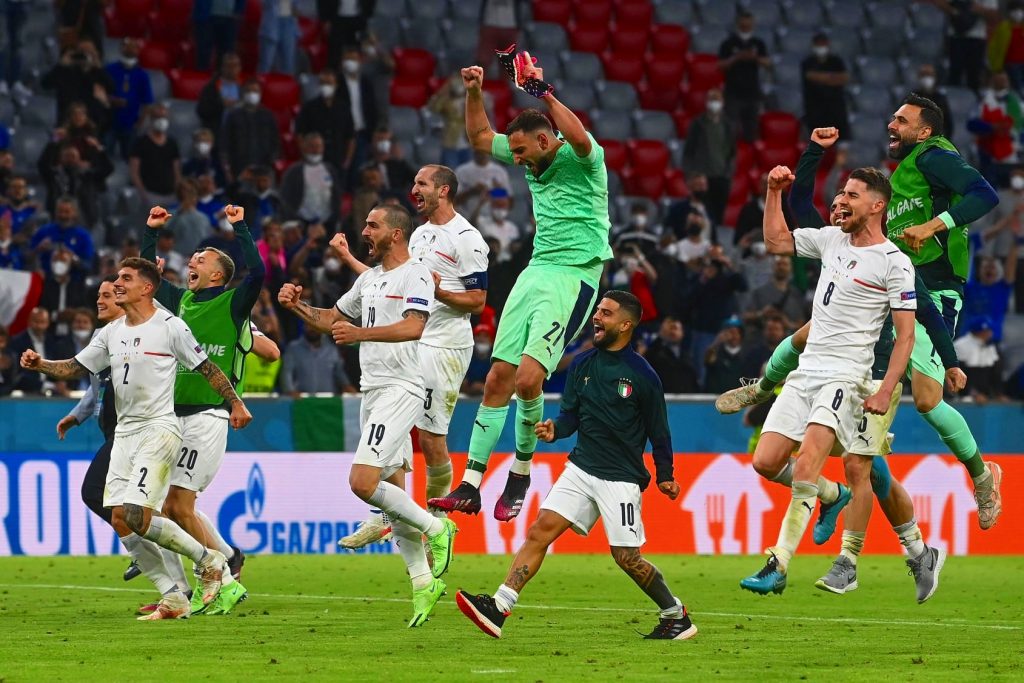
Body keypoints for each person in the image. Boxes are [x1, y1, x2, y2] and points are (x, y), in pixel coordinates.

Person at [428, 55, 613, 521]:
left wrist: (544, 92)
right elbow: (479, 137)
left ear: (545, 139)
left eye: (525, 151)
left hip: (575, 275)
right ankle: (470, 484)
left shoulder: (583, 159)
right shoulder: (528, 150)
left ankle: (522, 471)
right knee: (496, 379)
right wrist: (474, 90)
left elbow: (578, 137)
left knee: (530, 379)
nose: (519, 160)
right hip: (537, 270)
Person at [455, 291, 696, 640]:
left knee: (627, 558)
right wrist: (556, 430)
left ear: (626, 325)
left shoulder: (643, 376)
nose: (597, 317)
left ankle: (676, 615)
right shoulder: (582, 365)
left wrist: (666, 476)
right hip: (581, 468)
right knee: (540, 530)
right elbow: (571, 416)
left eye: (606, 313)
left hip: (620, 478)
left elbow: (660, 431)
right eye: (597, 311)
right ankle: (500, 606)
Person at [20, 257, 250, 619]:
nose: (117, 283)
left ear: (147, 288)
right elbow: (76, 368)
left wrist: (236, 403)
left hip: (158, 429)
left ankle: (210, 562)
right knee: (121, 519)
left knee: (139, 514)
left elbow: (207, 368)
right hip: (124, 433)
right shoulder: (110, 332)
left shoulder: (170, 326)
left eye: (125, 278)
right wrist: (41, 365)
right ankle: (172, 595)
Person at [738, 165, 919, 596]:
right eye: (841, 193)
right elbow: (776, 241)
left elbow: (905, 335)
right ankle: (832, 496)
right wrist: (772, 192)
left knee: (806, 462)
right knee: (765, 461)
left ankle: (778, 563)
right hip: (806, 372)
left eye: (852, 196)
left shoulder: (894, 262)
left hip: (846, 375)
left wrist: (885, 387)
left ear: (877, 206)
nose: (841, 201)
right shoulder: (831, 239)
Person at [277, 204, 457, 628]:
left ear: (396, 234)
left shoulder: (415, 274)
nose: (365, 232)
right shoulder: (369, 279)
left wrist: (360, 334)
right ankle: (422, 583)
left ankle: (437, 528)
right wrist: (297, 307)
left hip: (402, 388)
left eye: (372, 225)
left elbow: (415, 326)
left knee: (363, 482)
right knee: (393, 497)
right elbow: (332, 319)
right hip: (373, 391)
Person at [334, 165, 489, 549]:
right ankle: (384, 514)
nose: (414, 189)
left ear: (444, 190)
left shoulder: (466, 238)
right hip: (411, 340)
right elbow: (385, 278)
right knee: (396, 422)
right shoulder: (419, 233)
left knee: (432, 439)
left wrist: (439, 292)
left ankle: (438, 521)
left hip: (445, 344)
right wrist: (350, 259)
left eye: (422, 184)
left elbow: (479, 301)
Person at [141, 204, 265, 615]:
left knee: (179, 506)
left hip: (209, 415)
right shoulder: (181, 303)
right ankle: (195, 584)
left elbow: (259, 274)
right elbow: (147, 282)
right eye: (192, 258)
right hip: (171, 416)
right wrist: (151, 232)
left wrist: (240, 227)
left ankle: (223, 579)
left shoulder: (231, 303)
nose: (192, 261)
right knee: (163, 509)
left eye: (202, 260)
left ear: (217, 275)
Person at [682, 88, 733, 226]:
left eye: (717, 99)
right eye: (712, 99)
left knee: (718, 214)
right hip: (701, 178)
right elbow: (689, 151)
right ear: (706, 102)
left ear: (722, 102)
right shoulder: (698, 123)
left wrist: (728, 173)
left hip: (721, 178)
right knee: (701, 213)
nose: (714, 103)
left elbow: (732, 152)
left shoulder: (727, 125)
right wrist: (689, 175)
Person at [717, 10, 770, 141]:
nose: (746, 26)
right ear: (738, 24)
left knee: (751, 130)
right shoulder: (728, 43)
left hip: (752, 93)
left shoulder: (758, 43)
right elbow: (720, 65)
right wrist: (737, 57)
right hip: (733, 93)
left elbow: (768, 63)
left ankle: (750, 159)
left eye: (749, 24)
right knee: (731, 129)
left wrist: (754, 57)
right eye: (743, 24)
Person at [295, 69, 355, 173]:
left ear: (336, 85)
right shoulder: (309, 107)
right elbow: (300, 134)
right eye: (322, 83)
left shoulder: (344, 108)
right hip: (314, 159)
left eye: (329, 83)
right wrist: (305, 154)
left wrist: (347, 160)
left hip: (337, 160)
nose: (325, 86)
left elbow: (350, 137)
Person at [220, 80, 281, 182]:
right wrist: (227, 167)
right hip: (239, 168)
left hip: (264, 168)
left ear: (260, 94)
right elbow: (225, 142)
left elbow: (275, 142)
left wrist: (272, 162)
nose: (252, 94)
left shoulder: (268, 116)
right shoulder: (233, 116)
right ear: (243, 94)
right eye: (248, 91)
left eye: (255, 91)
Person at [104, 38, 154, 160]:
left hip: (130, 124)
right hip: (109, 122)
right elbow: (99, 91)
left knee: (130, 158)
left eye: (134, 46)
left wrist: (140, 123)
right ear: (121, 48)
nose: (130, 48)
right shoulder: (109, 69)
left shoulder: (142, 75)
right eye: (127, 45)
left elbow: (147, 102)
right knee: (104, 156)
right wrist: (111, 100)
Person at [279, 132, 342, 229]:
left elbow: (337, 197)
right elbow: (285, 200)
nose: (316, 150)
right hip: (301, 225)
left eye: (318, 146)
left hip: (328, 225)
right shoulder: (293, 172)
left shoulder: (330, 170)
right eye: (312, 146)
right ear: (304, 148)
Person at [128, 103, 181, 206]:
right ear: (151, 119)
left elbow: (177, 170)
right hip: (150, 194)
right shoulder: (141, 143)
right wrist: (143, 193)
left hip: (171, 195)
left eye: (164, 117)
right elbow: (134, 171)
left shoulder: (172, 143)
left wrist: (178, 191)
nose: (162, 121)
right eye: (158, 117)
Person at [801, 33, 849, 137]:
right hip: (815, 110)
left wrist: (823, 78)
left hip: (836, 109)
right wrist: (833, 78)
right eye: (819, 45)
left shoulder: (836, 61)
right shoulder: (808, 62)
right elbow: (811, 76)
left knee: (840, 142)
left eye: (823, 44)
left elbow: (844, 78)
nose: (821, 47)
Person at [642, 316, 697, 394]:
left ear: (682, 333)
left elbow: (692, 381)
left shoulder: (687, 357)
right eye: (670, 328)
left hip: (686, 400)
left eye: (675, 328)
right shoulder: (655, 353)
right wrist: (660, 337)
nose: (672, 332)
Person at [196, 52, 242, 132]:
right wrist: (221, 105)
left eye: (235, 65)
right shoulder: (211, 88)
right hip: (217, 131)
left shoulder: (243, 88)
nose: (232, 69)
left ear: (239, 68)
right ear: (222, 67)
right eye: (229, 66)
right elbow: (201, 111)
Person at [258, 0, 298, 75]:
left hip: (288, 23)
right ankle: (260, 84)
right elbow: (264, 4)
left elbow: (299, 9)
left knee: (288, 65)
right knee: (266, 65)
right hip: (271, 25)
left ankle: (286, 85)